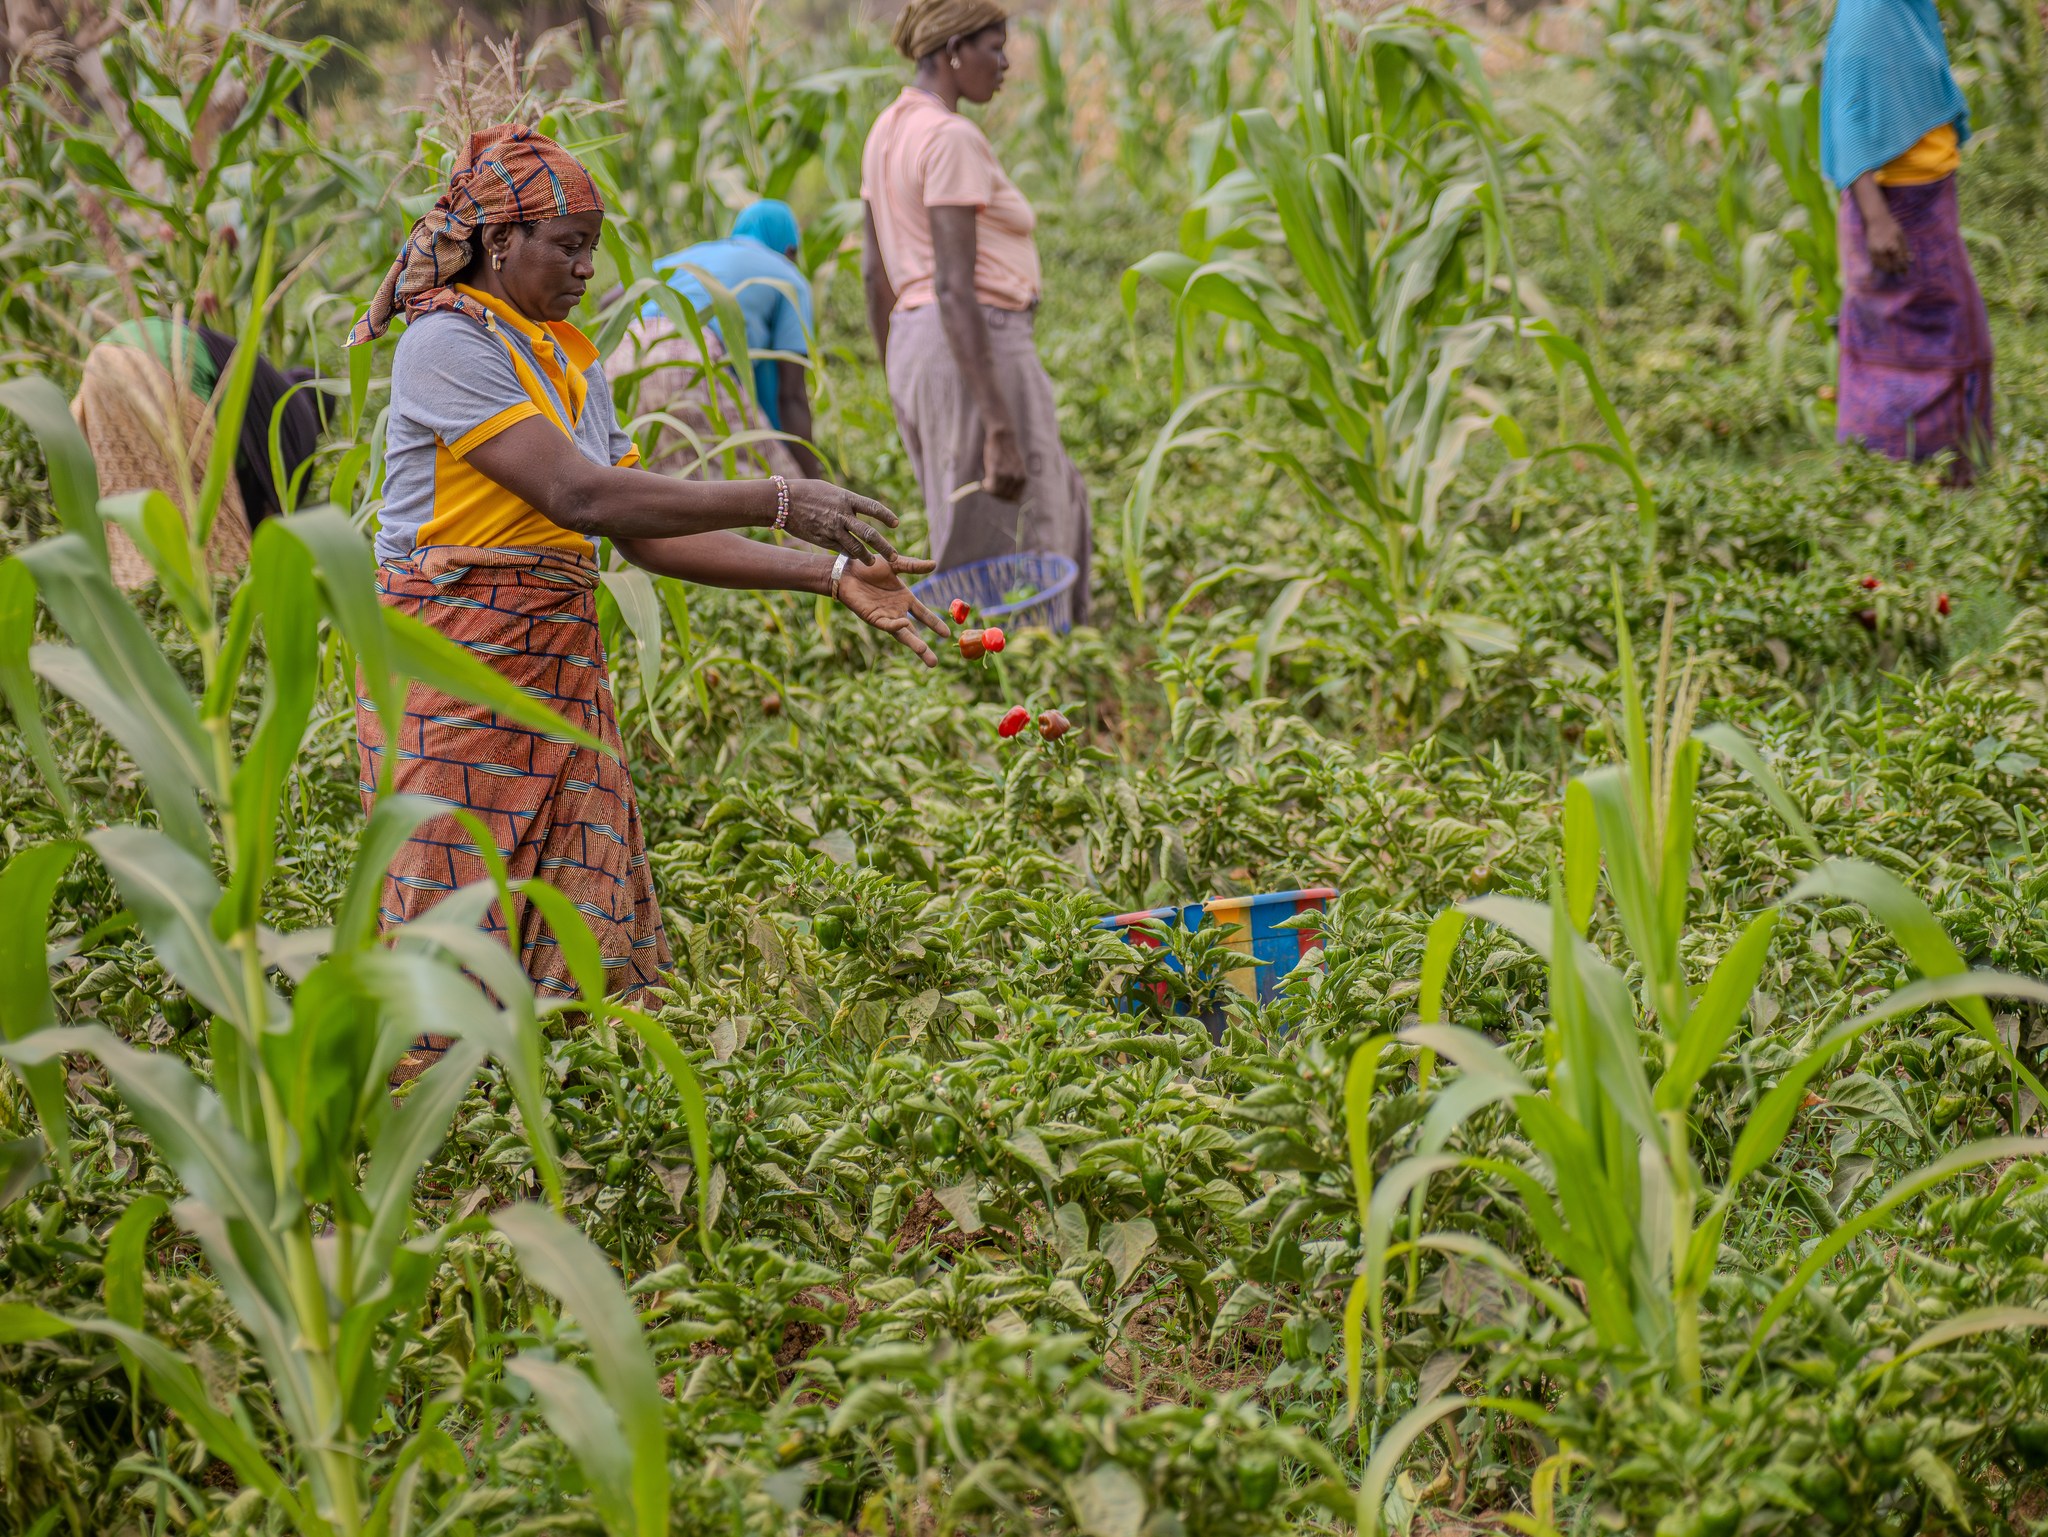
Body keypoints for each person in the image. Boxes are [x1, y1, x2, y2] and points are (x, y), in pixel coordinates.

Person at [345, 125, 945, 1076]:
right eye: (567, 246)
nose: (587, 268)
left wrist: (829, 576)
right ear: (500, 242)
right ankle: (436, 1133)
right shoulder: (444, 344)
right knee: (451, 923)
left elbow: (643, 535)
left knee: (578, 940)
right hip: (452, 667)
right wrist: (780, 497)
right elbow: (579, 496)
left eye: (592, 246)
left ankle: (569, 1115)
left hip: (554, 663)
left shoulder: (567, 357)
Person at [860, 0, 1091, 622]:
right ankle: (1029, 667)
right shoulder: (950, 137)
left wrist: (899, 372)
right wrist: (997, 426)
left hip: (918, 342)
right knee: (1023, 522)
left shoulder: (887, 131)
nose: (1005, 62)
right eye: (994, 46)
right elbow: (955, 286)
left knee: (971, 519)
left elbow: (875, 273)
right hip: (975, 340)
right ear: (954, 50)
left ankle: (988, 664)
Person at [1821, 0, 1993, 484]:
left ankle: (1945, 479)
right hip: (1895, 209)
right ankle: (1893, 482)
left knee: (1958, 340)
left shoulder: (1908, 9)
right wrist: (1876, 218)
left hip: (1929, 202)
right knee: (1907, 352)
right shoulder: (1872, 9)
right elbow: (1847, 112)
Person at [73, 314, 326, 588]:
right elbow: (274, 511)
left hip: (102, 358)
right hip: (166, 366)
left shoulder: (264, 389)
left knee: (129, 530)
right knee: (221, 554)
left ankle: (134, 597)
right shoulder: (300, 418)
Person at [616, 199, 823, 480]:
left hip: (626, 354)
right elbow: (791, 395)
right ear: (790, 249)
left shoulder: (695, 254)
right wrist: (814, 482)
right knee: (775, 488)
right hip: (691, 356)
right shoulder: (787, 276)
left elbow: (613, 297)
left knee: (665, 484)